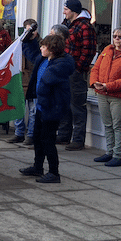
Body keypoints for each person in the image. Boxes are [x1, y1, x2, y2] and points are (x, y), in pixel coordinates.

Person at [19, 34, 74, 183]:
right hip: (41, 105)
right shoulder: (44, 59)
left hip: (52, 106)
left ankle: (54, 172)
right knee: (37, 137)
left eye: (44, 46)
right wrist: (29, 40)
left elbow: (47, 83)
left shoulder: (60, 65)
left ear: (52, 49)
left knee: (48, 139)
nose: (41, 48)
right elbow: (32, 54)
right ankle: (38, 167)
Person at [89, 26, 121, 167]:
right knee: (107, 124)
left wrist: (108, 86)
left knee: (118, 125)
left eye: (120, 36)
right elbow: (96, 68)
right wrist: (94, 83)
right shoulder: (107, 51)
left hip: (119, 96)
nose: (117, 39)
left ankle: (118, 155)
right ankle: (109, 151)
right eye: (115, 36)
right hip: (102, 93)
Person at [57, 0, 97, 151]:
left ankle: (78, 139)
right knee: (64, 104)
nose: (64, 12)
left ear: (74, 11)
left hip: (75, 72)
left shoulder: (85, 26)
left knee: (77, 106)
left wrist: (78, 68)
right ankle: (63, 135)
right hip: (63, 70)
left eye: (66, 9)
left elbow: (89, 50)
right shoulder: (66, 24)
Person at [10, 19, 39, 145]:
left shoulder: (39, 43)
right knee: (19, 108)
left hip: (33, 78)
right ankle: (19, 133)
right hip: (20, 78)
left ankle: (31, 135)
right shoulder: (18, 43)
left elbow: (35, 58)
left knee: (33, 110)